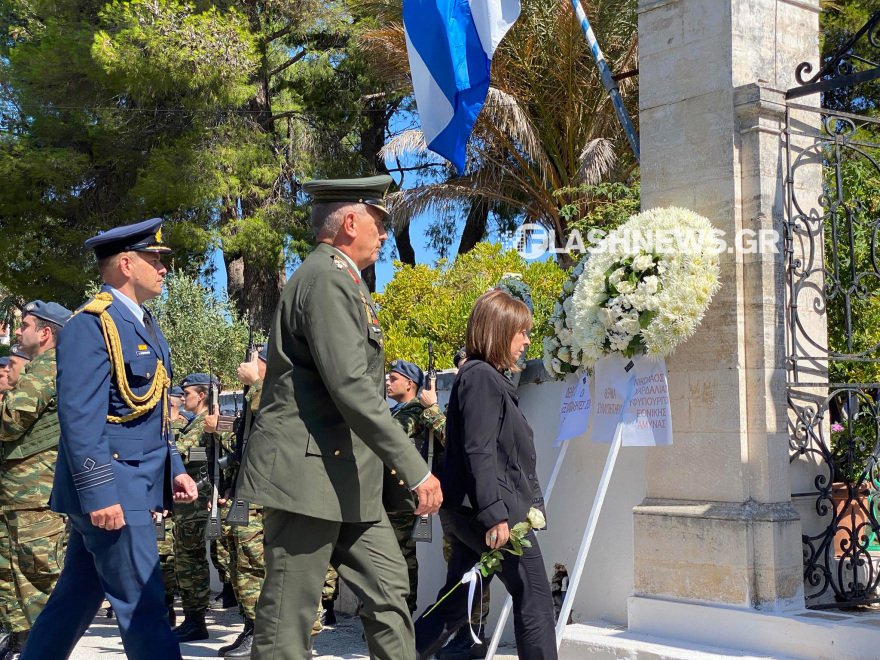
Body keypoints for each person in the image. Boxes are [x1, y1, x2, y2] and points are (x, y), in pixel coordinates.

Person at [236, 175, 442, 660]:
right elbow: (352, 387)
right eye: (381, 222)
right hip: (306, 480)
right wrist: (416, 470)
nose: (386, 234)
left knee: (390, 594)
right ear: (351, 222)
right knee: (290, 618)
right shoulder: (326, 278)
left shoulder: (343, 279)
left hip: (348, 481)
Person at [21, 217, 199, 660]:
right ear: (125, 263)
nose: (164, 269)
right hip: (113, 488)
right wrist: (100, 493)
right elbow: (80, 418)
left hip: (135, 482)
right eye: (155, 259)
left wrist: (174, 470)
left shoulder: (143, 324)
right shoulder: (91, 324)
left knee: (74, 601)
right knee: (144, 606)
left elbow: (152, 411)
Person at [414, 289, 556, 660]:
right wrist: (496, 514)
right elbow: (480, 450)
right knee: (535, 597)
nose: (526, 341)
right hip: (488, 512)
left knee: (457, 603)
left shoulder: (484, 377)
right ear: (499, 329)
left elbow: (506, 453)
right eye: (521, 331)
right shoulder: (480, 377)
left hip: (471, 511)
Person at [0, 302, 71, 659]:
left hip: (36, 497)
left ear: (45, 333)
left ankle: (46, 649)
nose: (17, 331)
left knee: (42, 579)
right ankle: (26, 645)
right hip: (21, 498)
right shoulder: (40, 370)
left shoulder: (48, 369)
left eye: (23, 325)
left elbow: (10, 420)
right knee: (16, 578)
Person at [383, 359, 446, 614]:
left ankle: (404, 613)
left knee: (401, 559)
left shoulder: (413, 411)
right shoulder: (395, 411)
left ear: (410, 383)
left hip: (402, 500)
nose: (388, 382)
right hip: (387, 497)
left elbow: (393, 434)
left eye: (393, 378)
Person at [172, 372, 229, 642]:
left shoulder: (206, 425)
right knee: (186, 558)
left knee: (190, 561)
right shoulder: (192, 424)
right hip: (188, 503)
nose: (183, 399)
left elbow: (182, 453)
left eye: (187, 394)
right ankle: (193, 618)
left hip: (196, 501)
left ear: (202, 395)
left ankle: (196, 620)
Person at [159, 386, 187, 626]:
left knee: (169, 558)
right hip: (159, 501)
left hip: (180, 503)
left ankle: (169, 605)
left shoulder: (186, 427)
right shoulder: (158, 428)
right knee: (159, 555)